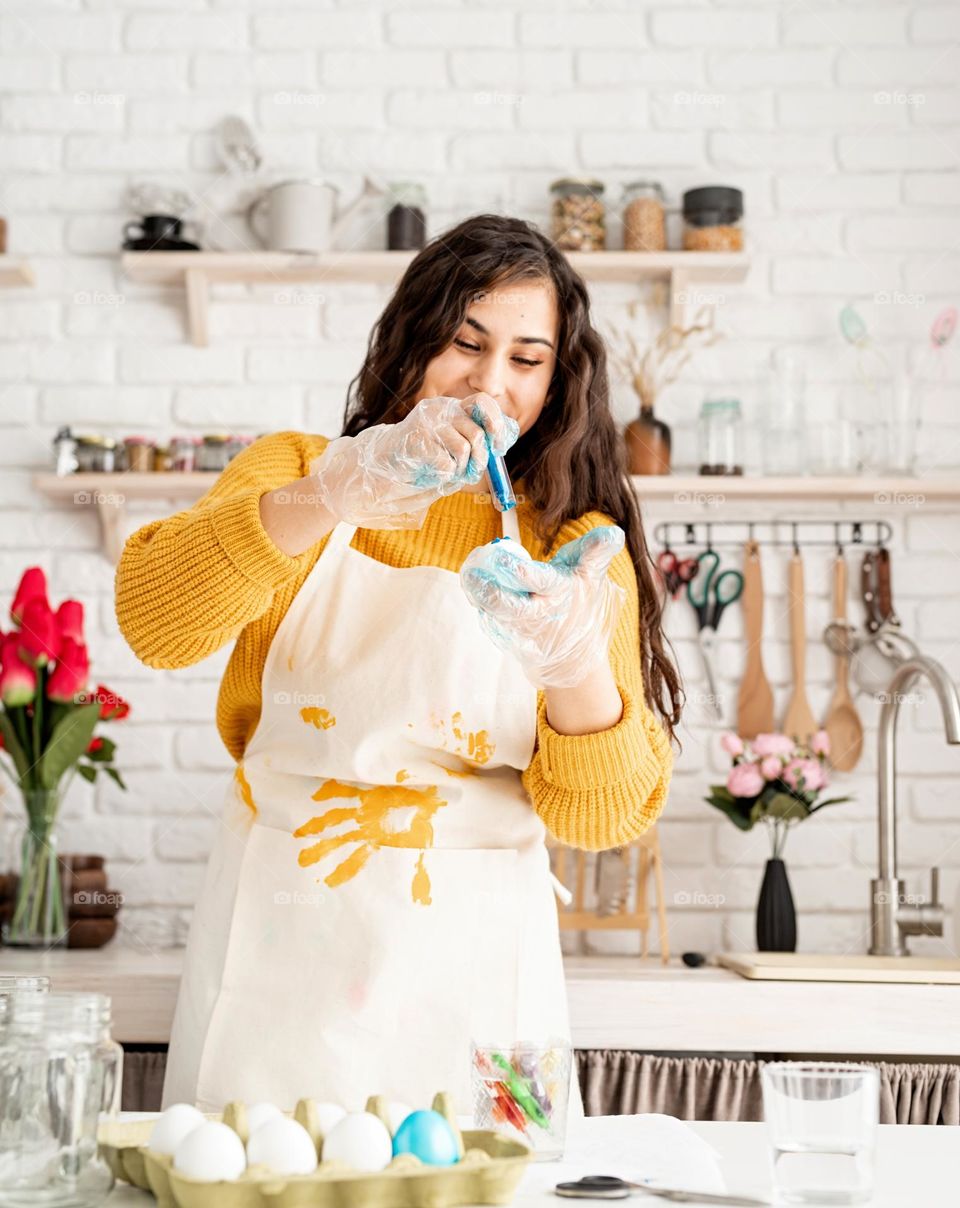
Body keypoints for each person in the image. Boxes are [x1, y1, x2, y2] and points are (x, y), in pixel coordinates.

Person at [116, 214, 680, 1119]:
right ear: (413, 338)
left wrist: (572, 662)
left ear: (557, 381)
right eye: (466, 342)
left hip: (487, 976)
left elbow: (603, 817)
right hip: (284, 950)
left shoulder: (567, 541)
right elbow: (154, 622)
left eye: (526, 360)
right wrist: (330, 492)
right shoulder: (297, 469)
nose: (491, 382)